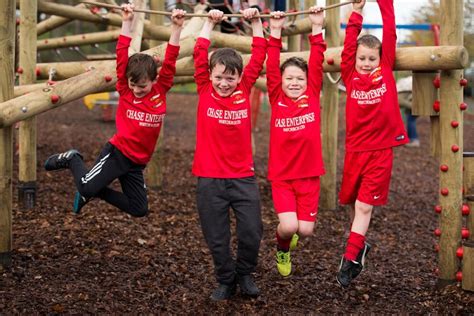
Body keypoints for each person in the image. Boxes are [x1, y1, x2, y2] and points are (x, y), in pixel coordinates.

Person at [43, 4, 185, 217]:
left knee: (139, 209)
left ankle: (95, 191)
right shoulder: (125, 90)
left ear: (154, 80)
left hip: (137, 162)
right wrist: (126, 21)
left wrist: (176, 28)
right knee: (85, 187)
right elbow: (121, 53)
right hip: (117, 154)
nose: (137, 90)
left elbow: (171, 58)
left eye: (142, 86)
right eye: (133, 84)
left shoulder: (160, 90)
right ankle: (73, 159)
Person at [192, 8, 266, 301]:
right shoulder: (204, 89)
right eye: (220, 77)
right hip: (209, 178)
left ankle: (245, 273)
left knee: (251, 232)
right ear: (210, 75)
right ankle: (226, 279)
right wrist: (209, 23)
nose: (224, 83)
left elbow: (259, 54)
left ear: (239, 78)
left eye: (230, 78)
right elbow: (200, 50)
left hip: (242, 177)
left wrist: (257, 22)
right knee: (217, 238)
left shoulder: (244, 90)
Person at [337, 0, 409, 287]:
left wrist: (384, 3)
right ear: (354, 60)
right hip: (355, 150)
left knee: (365, 207)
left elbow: (389, 32)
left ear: (380, 59)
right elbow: (348, 44)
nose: (366, 64)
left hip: (380, 152)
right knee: (353, 204)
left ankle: (350, 257)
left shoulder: (385, 71)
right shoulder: (350, 75)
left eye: (371, 59)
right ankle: (359, 248)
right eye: (362, 59)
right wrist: (356, 12)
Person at [265, 8, 326, 277]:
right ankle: (282, 248)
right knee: (288, 227)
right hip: (282, 176)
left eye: (299, 78)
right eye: (289, 78)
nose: (294, 82)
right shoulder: (276, 97)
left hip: (309, 175)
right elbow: (270, 65)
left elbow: (316, 61)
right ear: (281, 80)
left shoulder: (312, 95)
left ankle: (290, 237)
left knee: (306, 230)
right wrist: (275, 31)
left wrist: (317, 27)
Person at [396, 76, 420, 147]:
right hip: (414, 103)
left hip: (414, 104)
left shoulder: (403, 89)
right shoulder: (407, 85)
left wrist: (413, 107)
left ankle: (414, 139)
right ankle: (411, 139)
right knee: (410, 119)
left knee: (410, 120)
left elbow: (399, 101)